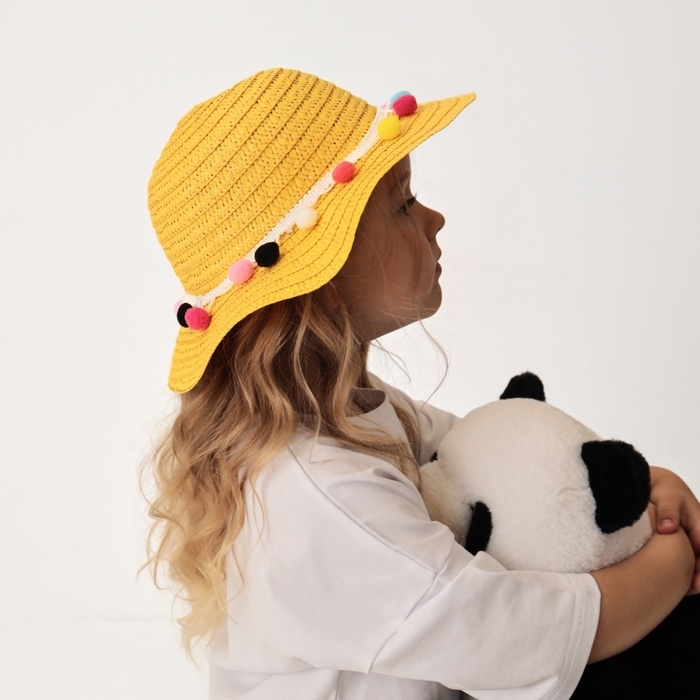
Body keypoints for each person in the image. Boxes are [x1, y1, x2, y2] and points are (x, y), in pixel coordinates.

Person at [145, 67, 700, 700]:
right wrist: (673, 559)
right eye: (404, 204)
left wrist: (652, 483)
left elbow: (504, 465)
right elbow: (516, 636)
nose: (435, 218)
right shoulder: (311, 491)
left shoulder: (354, 414)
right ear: (322, 280)